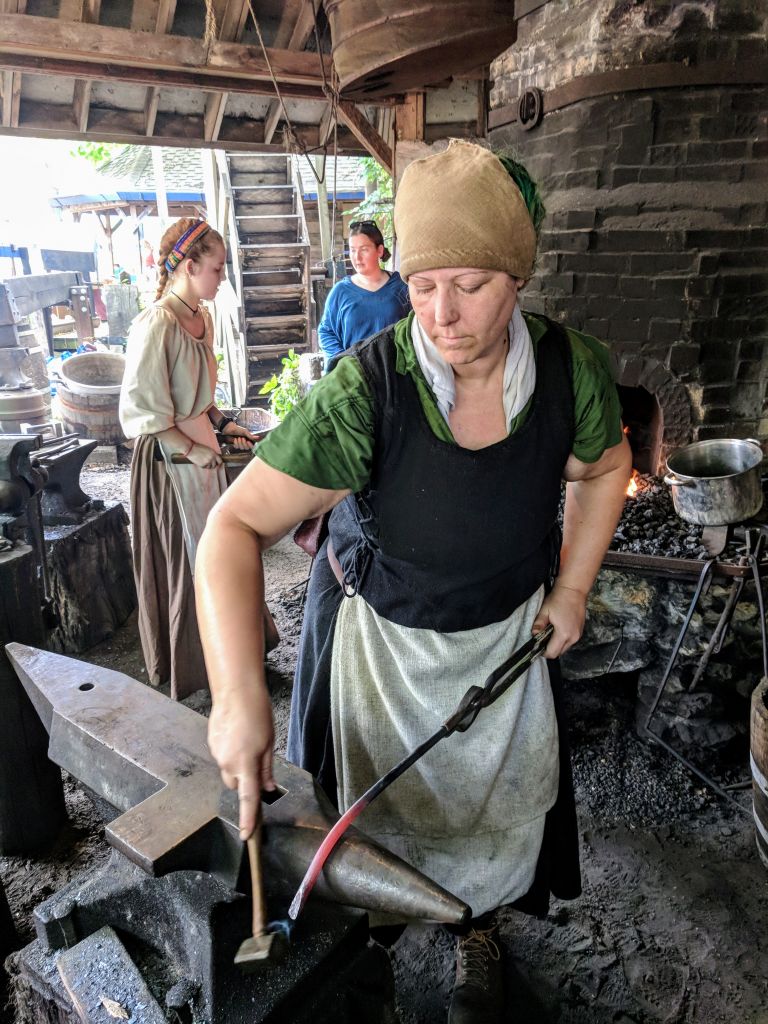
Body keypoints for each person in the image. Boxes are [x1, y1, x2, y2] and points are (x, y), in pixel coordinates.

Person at [195, 142, 631, 1022]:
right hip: (381, 643)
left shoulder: (571, 369)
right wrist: (238, 697)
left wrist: (574, 590)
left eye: (470, 285)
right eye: (423, 283)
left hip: (504, 635)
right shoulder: (368, 392)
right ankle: (378, 930)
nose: (441, 312)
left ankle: (476, 927)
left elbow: (602, 469)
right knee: (376, 808)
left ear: (518, 275)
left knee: (492, 806)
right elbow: (233, 528)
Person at [119, 217, 258, 701]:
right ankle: (197, 670)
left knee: (218, 551)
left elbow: (199, 394)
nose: (223, 278)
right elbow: (144, 413)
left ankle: (232, 654)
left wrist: (222, 425)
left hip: (201, 449)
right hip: (166, 462)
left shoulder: (203, 316)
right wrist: (193, 449)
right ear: (189, 265)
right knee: (188, 560)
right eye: (217, 269)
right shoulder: (156, 322)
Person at [317, 220, 410, 362]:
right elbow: (326, 332)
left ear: (379, 250)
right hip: (356, 376)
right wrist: (342, 362)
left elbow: (416, 326)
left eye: (364, 249)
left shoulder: (401, 287)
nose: (357, 257)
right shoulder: (341, 291)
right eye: (353, 250)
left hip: (395, 375)